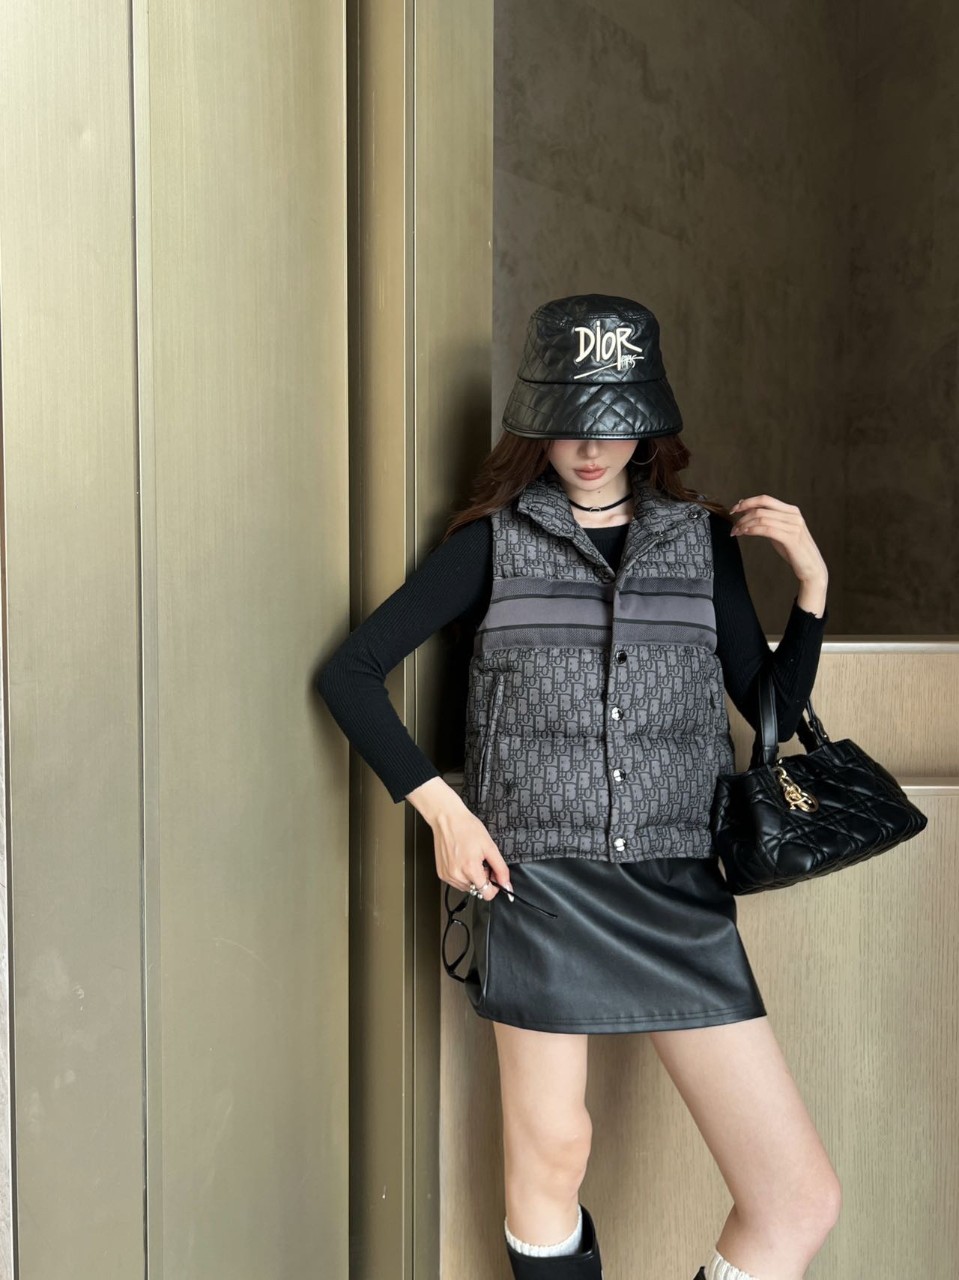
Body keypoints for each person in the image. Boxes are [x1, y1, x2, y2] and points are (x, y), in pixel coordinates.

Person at [316, 294, 841, 1280]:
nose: (591, 447)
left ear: (649, 421)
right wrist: (443, 809)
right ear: (534, 417)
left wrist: (808, 588)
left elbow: (767, 706)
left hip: (678, 889)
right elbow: (350, 672)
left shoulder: (700, 542)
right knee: (551, 1153)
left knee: (796, 1198)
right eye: (569, 420)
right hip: (539, 882)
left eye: (612, 421)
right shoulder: (492, 542)